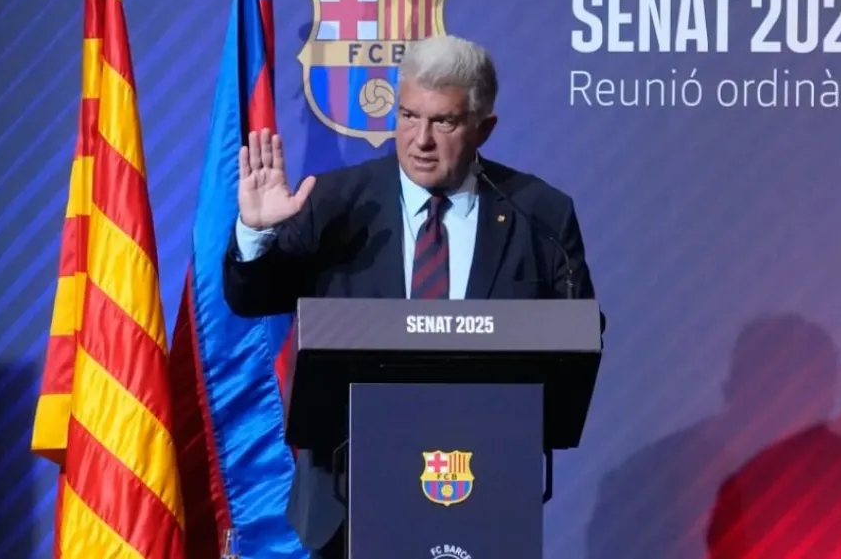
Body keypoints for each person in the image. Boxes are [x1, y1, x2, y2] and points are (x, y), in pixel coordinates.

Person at [222, 34, 599, 558]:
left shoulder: (540, 215)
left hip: (488, 497)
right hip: (345, 505)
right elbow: (251, 298)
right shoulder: (335, 202)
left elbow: (575, 341)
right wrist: (255, 232)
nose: (419, 139)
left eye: (443, 121)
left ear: (483, 128)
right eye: (407, 115)